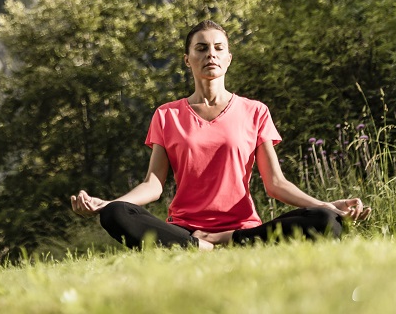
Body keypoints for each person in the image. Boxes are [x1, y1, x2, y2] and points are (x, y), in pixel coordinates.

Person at [70, 20, 370, 249]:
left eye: (218, 48)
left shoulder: (255, 111)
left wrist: (325, 205)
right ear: (187, 59)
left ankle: (224, 240)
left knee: (327, 221)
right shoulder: (167, 114)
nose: (210, 54)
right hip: (184, 228)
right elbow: (153, 184)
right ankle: (197, 245)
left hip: (242, 227)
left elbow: (276, 184)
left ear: (228, 58)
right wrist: (107, 203)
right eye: (201, 48)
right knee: (117, 214)